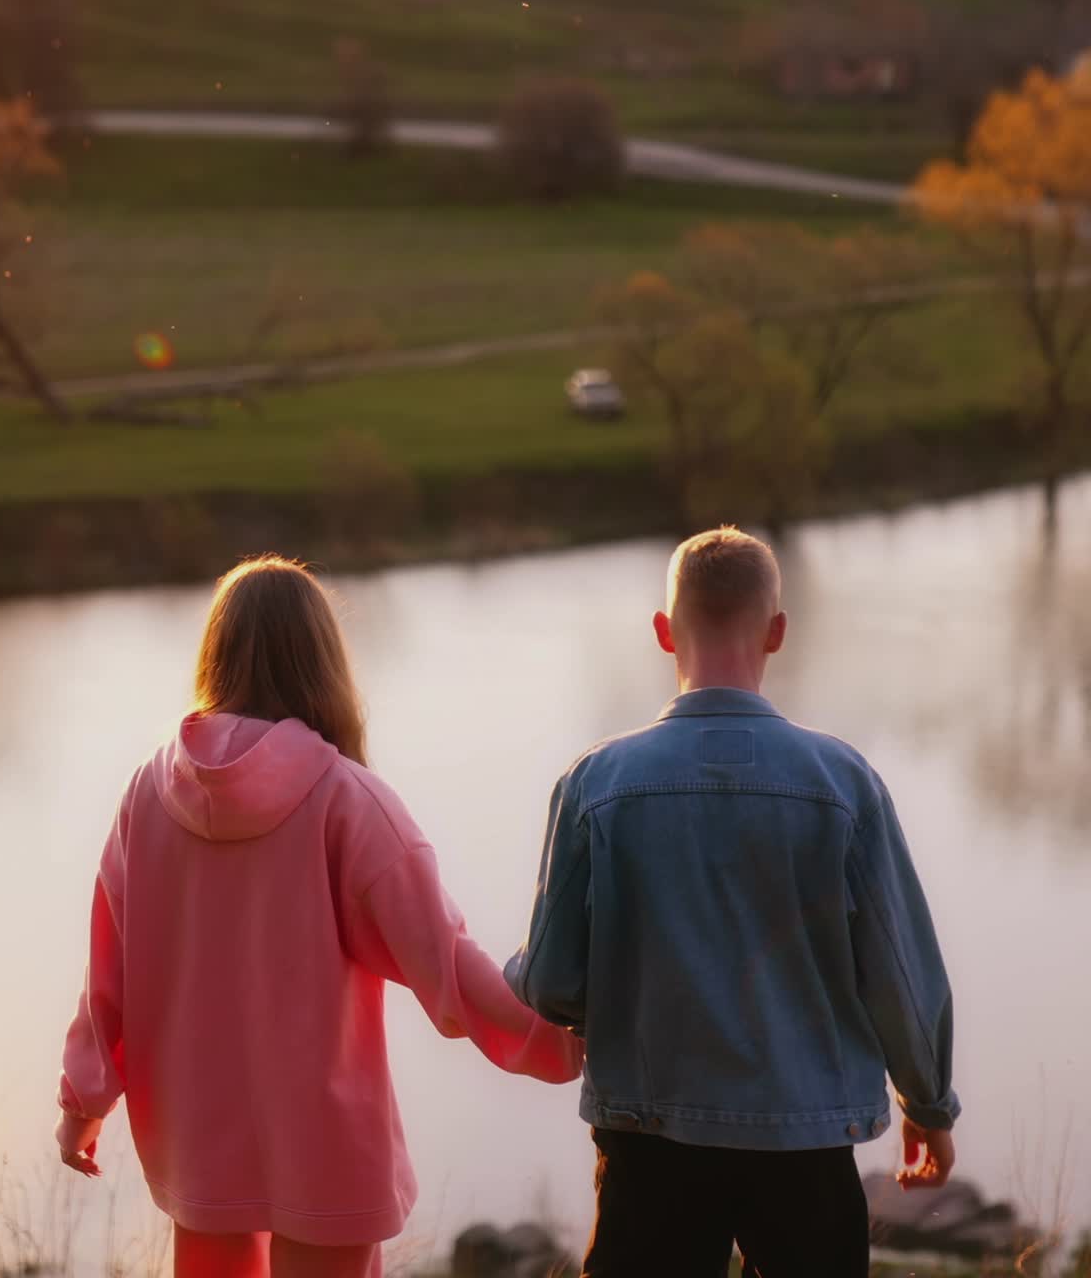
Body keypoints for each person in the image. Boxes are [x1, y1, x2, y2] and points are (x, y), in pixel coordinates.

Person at [53, 554, 583, 1278]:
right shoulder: (347, 801)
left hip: (199, 1138)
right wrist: (569, 1040)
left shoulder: (149, 791)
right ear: (322, 661)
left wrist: (84, 1098)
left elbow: (107, 967)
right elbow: (449, 969)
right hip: (326, 1144)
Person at [505, 526, 960, 1278]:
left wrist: (516, 971)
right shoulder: (843, 785)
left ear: (663, 632)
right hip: (807, 1141)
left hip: (649, 1141)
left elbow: (554, 987)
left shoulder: (597, 784)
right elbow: (899, 976)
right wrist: (928, 1106)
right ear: (777, 632)